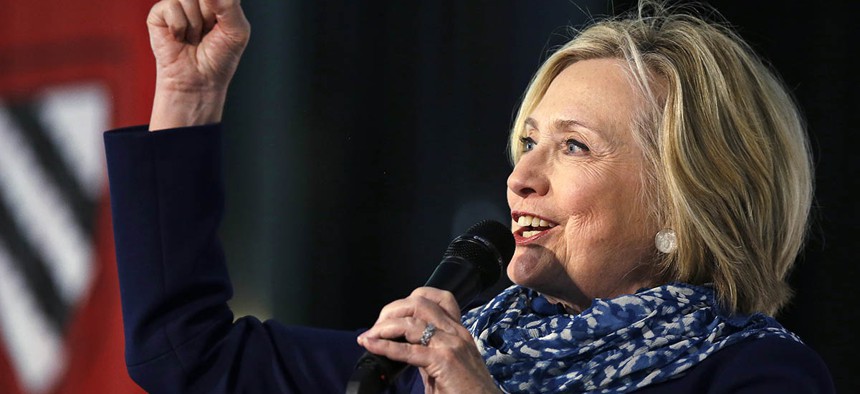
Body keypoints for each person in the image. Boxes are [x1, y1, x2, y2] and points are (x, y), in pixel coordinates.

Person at [104, 0, 834, 392]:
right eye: (528, 142)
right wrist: (189, 95)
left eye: (573, 145)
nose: (520, 177)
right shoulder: (430, 367)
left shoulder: (756, 373)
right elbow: (185, 355)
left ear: (684, 199)